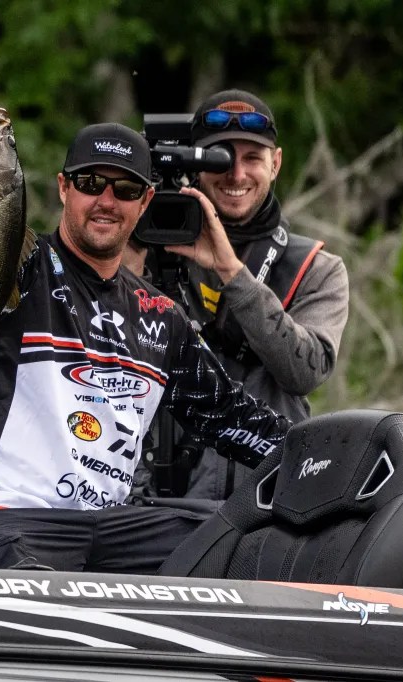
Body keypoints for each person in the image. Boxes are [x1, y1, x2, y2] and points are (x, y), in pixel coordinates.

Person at [0, 99, 291, 573]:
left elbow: (231, 416)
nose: (106, 201)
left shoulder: (162, 317)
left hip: (103, 530)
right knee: (34, 584)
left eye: (125, 189)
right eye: (90, 184)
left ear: (145, 202)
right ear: (64, 188)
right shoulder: (23, 269)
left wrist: (319, 454)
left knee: (239, 541)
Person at [129, 89, 349, 502]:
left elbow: (305, 372)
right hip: (159, 497)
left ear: (275, 163)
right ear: (196, 163)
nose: (236, 174)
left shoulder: (316, 268)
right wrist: (133, 245)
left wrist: (232, 272)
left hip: (267, 497)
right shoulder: (150, 246)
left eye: (252, 158)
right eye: (221, 158)